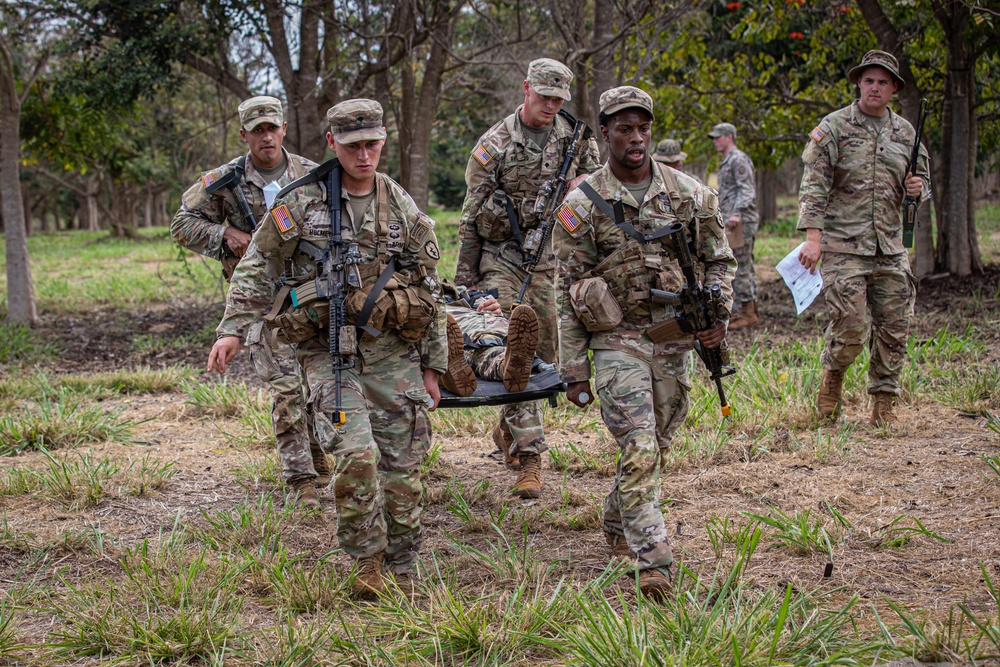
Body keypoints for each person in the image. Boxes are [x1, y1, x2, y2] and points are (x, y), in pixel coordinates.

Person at [207, 98, 448, 596]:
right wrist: (231, 328)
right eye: (353, 145)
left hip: (393, 354)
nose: (364, 155)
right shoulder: (301, 201)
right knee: (356, 456)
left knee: (404, 469)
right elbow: (258, 263)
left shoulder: (398, 203)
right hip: (327, 353)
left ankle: (403, 567)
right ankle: (367, 562)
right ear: (332, 144)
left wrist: (435, 365)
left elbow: (429, 285)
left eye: (372, 144)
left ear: (384, 142)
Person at [553, 86, 737, 600]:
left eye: (643, 128)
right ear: (605, 132)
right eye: (624, 129)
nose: (636, 138)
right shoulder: (581, 204)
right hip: (616, 342)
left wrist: (717, 311)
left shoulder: (690, 195)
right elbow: (567, 290)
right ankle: (651, 561)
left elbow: (720, 262)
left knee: (655, 447)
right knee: (637, 446)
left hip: (676, 340)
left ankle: (618, 518)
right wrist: (574, 370)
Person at [170, 96, 329, 509]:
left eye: (272, 128)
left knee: (316, 383)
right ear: (244, 135)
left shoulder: (311, 173)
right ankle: (301, 481)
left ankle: (315, 454)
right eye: (257, 130)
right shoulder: (224, 181)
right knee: (286, 388)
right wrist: (224, 235)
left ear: (284, 129)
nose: (267, 137)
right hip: (259, 299)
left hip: (308, 297)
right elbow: (181, 223)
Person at [455, 57, 601, 499]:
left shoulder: (577, 139)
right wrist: (467, 284)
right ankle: (531, 457)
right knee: (511, 340)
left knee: (539, 353)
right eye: (544, 96)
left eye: (559, 99)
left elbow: (596, 194)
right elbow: (470, 215)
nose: (551, 105)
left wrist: (582, 188)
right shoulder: (494, 145)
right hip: (500, 256)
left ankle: (508, 431)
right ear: (526, 89)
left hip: (550, 259)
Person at [796, 50, 929, 427]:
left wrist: (918, 189)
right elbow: (814, 186)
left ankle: (883, 403)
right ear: (859, 83)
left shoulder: (906, 133)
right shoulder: (835, 127)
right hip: (843, 246)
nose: (875, 87)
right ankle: (834, 377)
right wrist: (813, 238)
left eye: (883, 82)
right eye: (869, 80)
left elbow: (923, 184)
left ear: (894, 89)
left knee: (894, 327)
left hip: (890, 246)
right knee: (851, 325)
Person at [709, 122, 760, 329]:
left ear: (729, 137)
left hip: (740, 222)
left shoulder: (738, 159)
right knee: (745, 262)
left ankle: (745, 312)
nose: (714, 141)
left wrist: (737, 213)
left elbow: (747, 190)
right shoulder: (728, 161)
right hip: (733, 219)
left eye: (717, 137)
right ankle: (751, 309)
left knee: (741, 265)